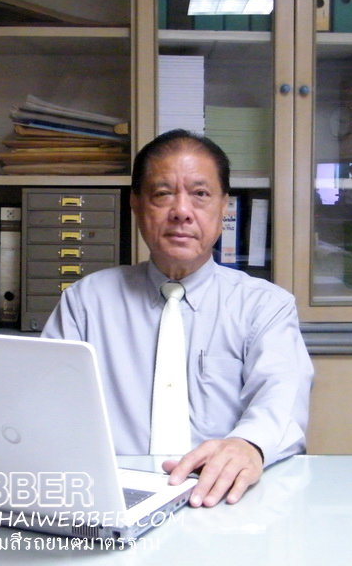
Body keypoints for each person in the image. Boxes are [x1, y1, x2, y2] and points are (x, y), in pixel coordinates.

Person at [42, 129, 313, 508]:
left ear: (224, 207)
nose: (182, 211)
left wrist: (247, 445)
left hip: (225, 498)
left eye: (200, 194)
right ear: (136, 204)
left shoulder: (264, 306)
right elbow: (47, 407)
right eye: (163, 193)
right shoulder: (86, 302)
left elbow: (281, 398)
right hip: (111, 495)